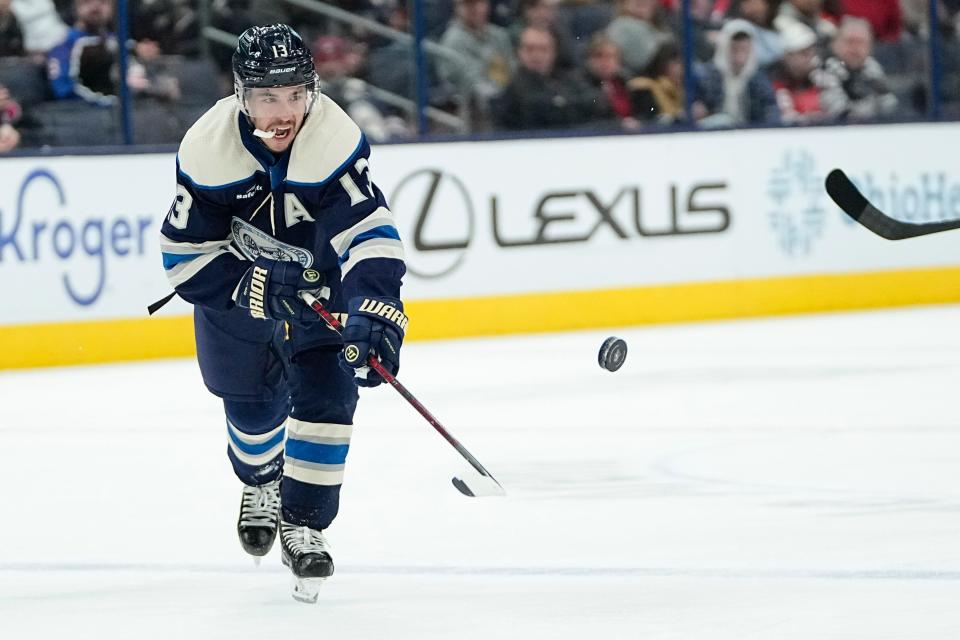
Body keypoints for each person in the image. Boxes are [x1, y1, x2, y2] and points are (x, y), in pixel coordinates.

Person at [157, 24, 406, 603]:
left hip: (319, 287)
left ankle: (304, 522)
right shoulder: (207, 146)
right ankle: (259, 481)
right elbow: (182, 261)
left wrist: (377, 306)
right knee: (250, 409)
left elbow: (371, 233)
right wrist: (256, 289)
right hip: (234, 294)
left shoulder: (333, 135)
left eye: (296, 92)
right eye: (268, 95)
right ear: (241, 95)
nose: (284, 109)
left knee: (331, 396)